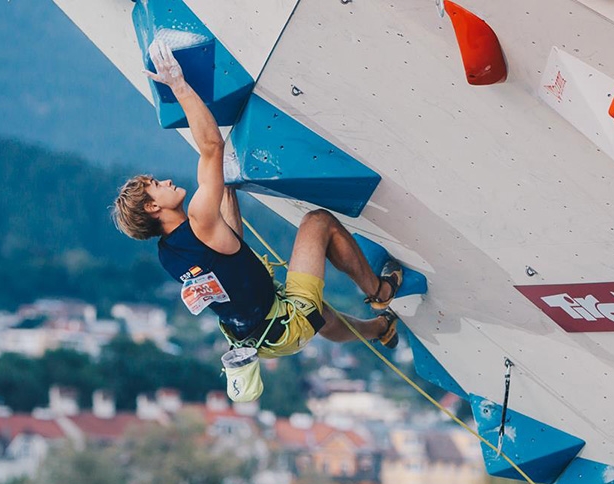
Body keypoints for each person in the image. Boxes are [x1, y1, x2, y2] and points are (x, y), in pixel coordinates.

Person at [112, 39, 402, 360]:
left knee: (318, 314)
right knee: (318, 223)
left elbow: (230, 246)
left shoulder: (169, 253)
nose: (165, 181)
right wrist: (178, 85)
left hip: (260, 339)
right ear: (153, 207)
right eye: (156, 185)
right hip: (285, 321)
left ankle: (380, 329)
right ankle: (380, 292)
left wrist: (226, 188)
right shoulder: (198, 219)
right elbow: (211, 146)